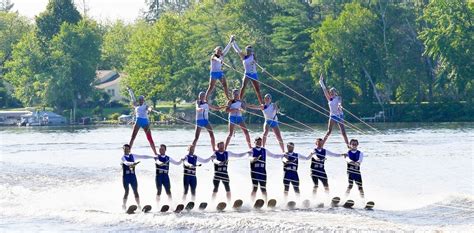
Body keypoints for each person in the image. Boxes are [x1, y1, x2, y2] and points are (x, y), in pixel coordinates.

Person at [120, 144, 156, 210]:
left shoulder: (133, 156)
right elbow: (126, 163)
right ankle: (124, 205)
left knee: (135, 191)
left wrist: (153, 157)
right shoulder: (123, 158)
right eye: (125, 149)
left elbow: (143, 156)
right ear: (123, 149)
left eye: (127, 149)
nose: (126, 150)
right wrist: (133, 163)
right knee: (127, 191)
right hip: (126, 177)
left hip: (133, 177)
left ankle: (139, 206)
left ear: (129, 149)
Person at [319, 74, 349, 148]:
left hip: (339, 115)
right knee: (329, 131)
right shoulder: (329, 99)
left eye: (333, 92)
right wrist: (321, 82)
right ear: (330, 93)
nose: (332, 93)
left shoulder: (338, 97)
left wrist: (339, 106)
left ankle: (348, 146)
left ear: (336, 92)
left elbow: (339, 102)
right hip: (332, 116)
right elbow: (324, 90)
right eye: (331, 92)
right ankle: (321, 145)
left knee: (343, 132)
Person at [232, 37, 263, 105]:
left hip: (253, 74)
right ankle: (239, 100)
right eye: (247, 51)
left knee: (257, 89)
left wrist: (254, 57)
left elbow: (256, 61)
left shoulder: (253, 56)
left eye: (249, 51)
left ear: (251, 51)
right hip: (247, 74)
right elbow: (238, 50)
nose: (247, 52)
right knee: (243, 86)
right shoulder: (244, 57)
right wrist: (233, 42)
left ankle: (261, 103)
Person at [205, 36, 234, 101]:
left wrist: (230, 42)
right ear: (215, 51)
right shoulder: (213, 56)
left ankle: (228, 98)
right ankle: (205, 99)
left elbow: (226, 49)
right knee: (211, 87)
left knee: (225, 85)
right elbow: (216, 59)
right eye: (218, 51)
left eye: (220, 51)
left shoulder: (222, 55)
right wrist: (220, 61)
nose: (219, 52)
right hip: (214, 73)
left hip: (220, 73)